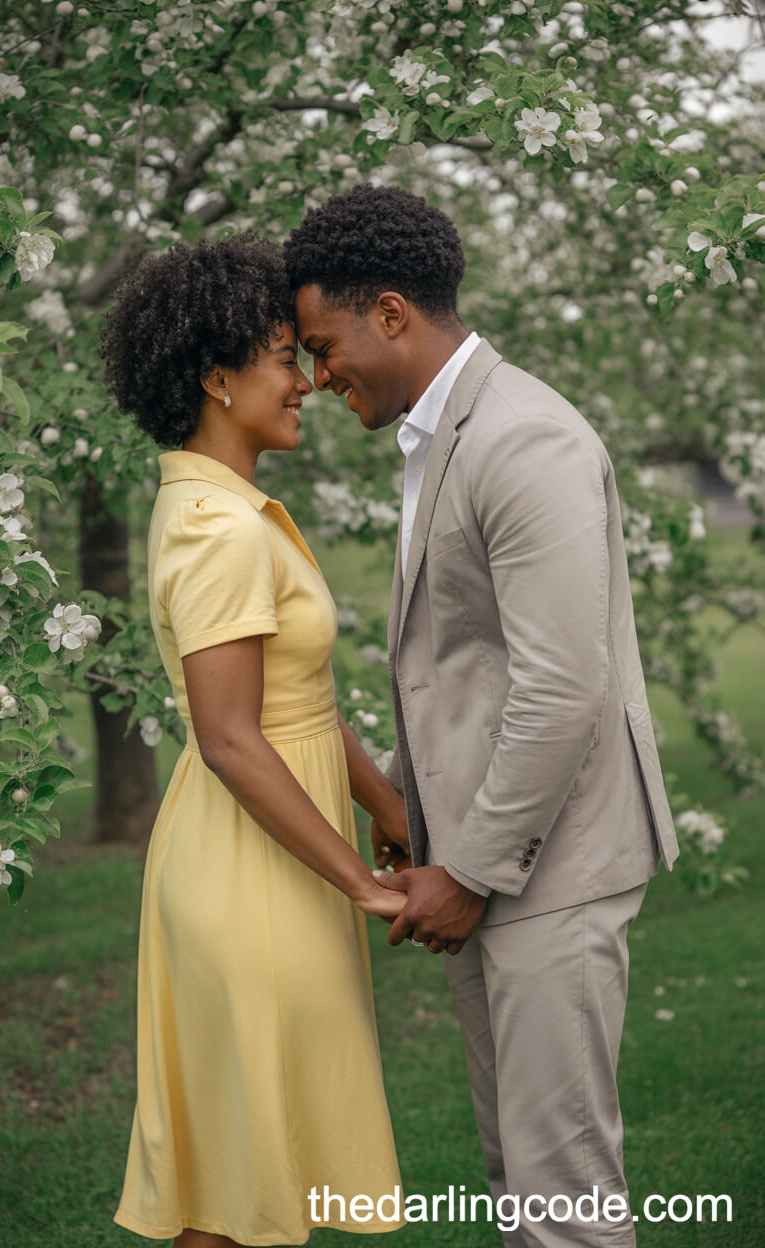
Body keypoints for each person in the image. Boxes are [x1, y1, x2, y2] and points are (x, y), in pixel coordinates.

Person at [285, 183, 680, 1247]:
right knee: (520, 1180)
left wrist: (465, 872)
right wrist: (415, 813)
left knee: (561, 1197)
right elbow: (468, 666)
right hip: (492, 856)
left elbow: (562, 688)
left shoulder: (522, 439)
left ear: (392, 315)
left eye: (324, 345)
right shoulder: (442, 437)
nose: (319, 379)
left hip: (549, 866)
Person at [99, 235, 408, 1247]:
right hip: (250, 877)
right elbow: (232, 739)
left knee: (264, 1174)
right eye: (284, 354)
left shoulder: (233, 511)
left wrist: (388, 810)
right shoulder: (221, 530)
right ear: (215, 376)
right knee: (237, 1198)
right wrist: (359, 882)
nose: (307, 381)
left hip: (278, 858)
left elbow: (300, 705)